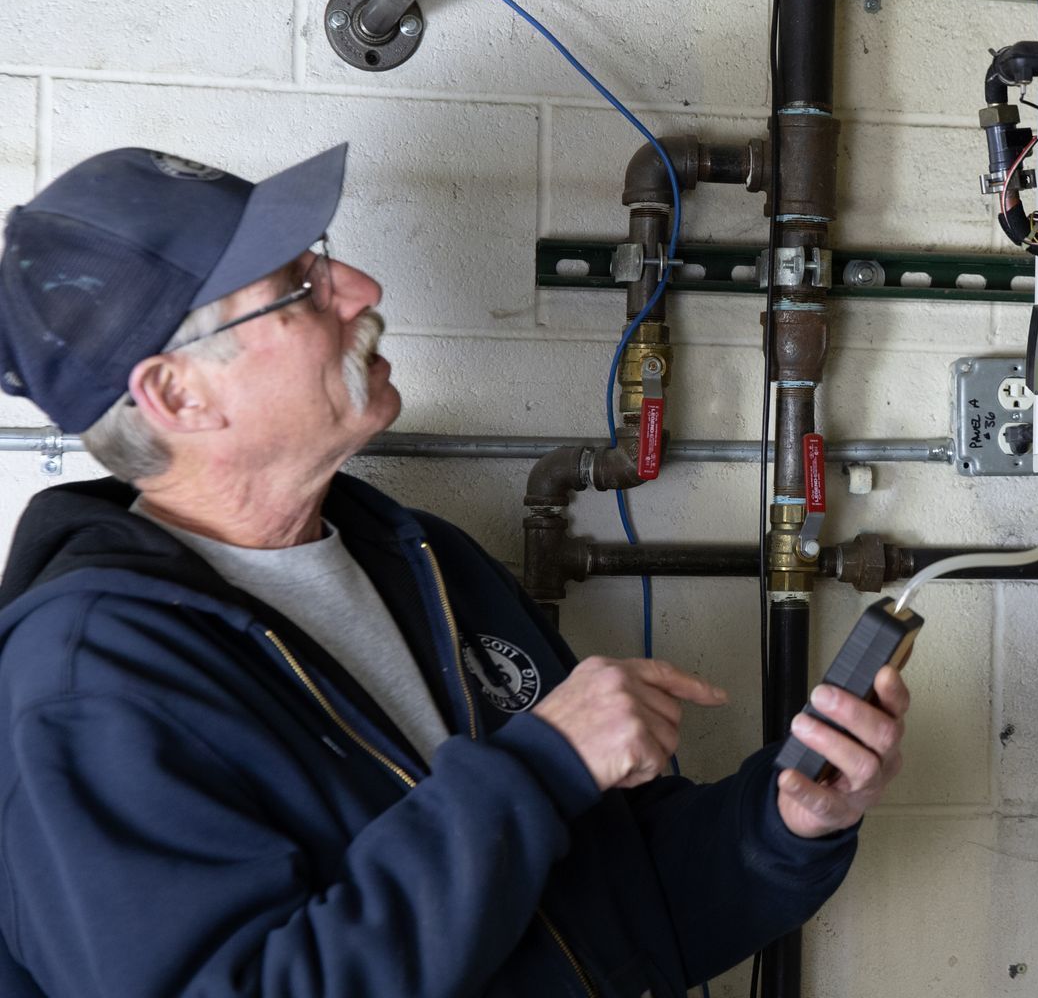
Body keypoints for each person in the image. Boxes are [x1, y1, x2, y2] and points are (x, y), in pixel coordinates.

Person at [0, 145, 911, 997]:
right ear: (177, 394)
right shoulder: (90, 687)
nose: (358, 287)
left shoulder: (422, 560)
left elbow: (619, 906)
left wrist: (785, 826)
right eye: (298, 288)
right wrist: (543, 767)